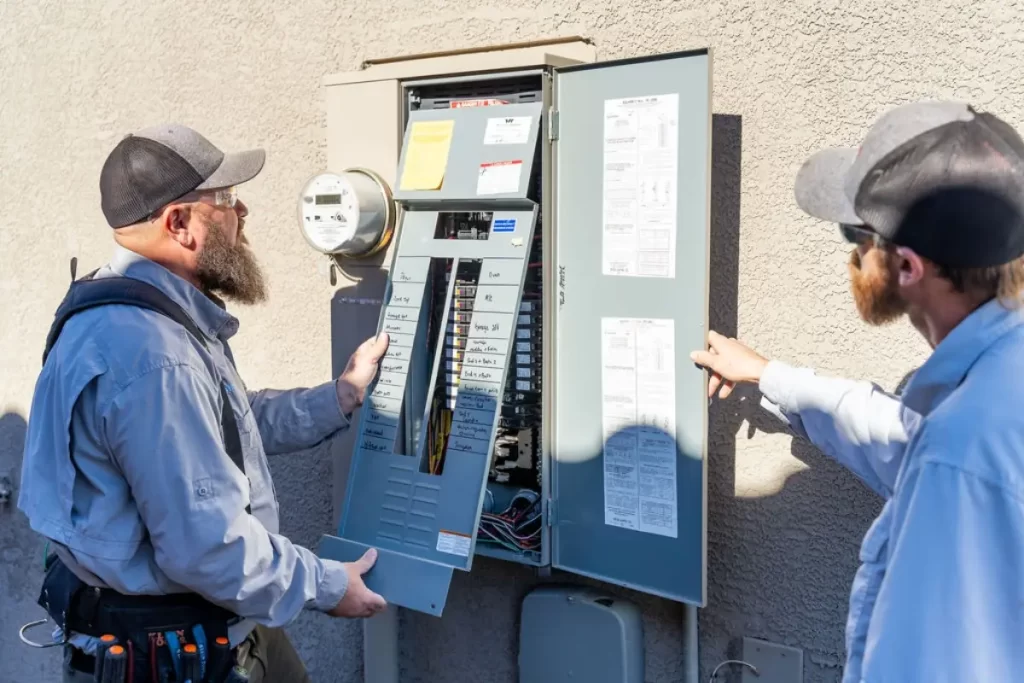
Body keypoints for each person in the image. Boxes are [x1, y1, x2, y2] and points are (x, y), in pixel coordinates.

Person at [18, 124, 388, 682]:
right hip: (179, 653)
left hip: (220, 622)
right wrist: (330, 587)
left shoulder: (134, 315)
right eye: (226, 202)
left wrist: (339, 397)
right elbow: (207, 549)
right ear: (180, 224)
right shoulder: (153, 357)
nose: (243, 214)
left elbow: (226, 426)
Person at [692, 100, 1024, 683]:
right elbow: (894, 437)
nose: (853, 253)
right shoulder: (997, 379)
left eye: (858, 233)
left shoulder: (962, 450)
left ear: (908, 267)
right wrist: (770, 376)